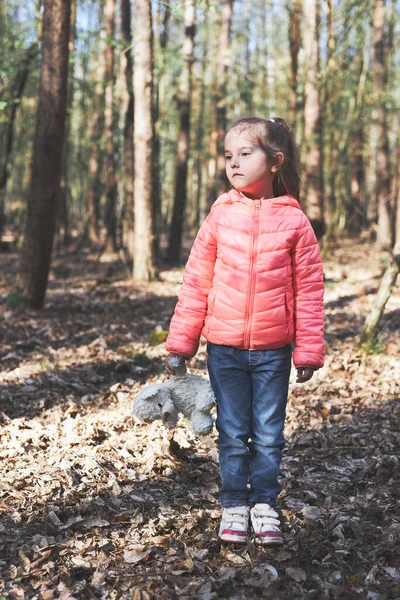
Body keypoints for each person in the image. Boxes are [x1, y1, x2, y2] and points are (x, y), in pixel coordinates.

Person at [164, 116, 324, 546]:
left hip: (274, 349)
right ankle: (234, 502)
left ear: (274, 162)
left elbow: (309, 289)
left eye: (244, 154)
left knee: (269, 433)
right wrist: (182, 341)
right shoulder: (219, 217)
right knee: (233, 431)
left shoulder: (295, 222)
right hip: (224, 348)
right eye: (228, 156)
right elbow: (196, 281)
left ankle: (265, 504)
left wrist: (308, 350)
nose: (233, 163)